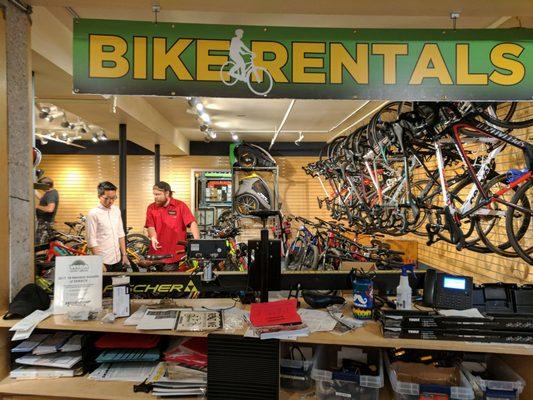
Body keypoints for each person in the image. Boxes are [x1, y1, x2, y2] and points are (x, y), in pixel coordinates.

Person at [145, 181, 200, 270]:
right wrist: (153, 237)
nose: (155, 197)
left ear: (167, 193)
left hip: (173, 255)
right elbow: (150, 226)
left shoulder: (180, 206)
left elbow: (192, 223)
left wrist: (197, 242)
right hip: (155, 254)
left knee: (169, 281)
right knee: (153, 281)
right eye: (154, 195)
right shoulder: (151, 207)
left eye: (158, 194)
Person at [86, 181, 130, 272]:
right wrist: (99, 262)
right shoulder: (93, 214)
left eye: (113, 198)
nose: (110, 201)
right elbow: (91, 240)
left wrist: (124, 255)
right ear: (99, 196)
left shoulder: (116, 210)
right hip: (103, 260)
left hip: (117, 258)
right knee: (105, 286)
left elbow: (120, 233)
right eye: (107, 198)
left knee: (119, 285)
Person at [35, 177, 59, 243]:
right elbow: (43, 199)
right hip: (43, 222)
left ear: (46, 185)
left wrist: (37, 206)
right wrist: (34, 191)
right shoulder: (49, 193)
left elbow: (50, 209)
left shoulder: (51, 194)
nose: (40, 187)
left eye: (41, 185)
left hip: (45, 224)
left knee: (40, 244)